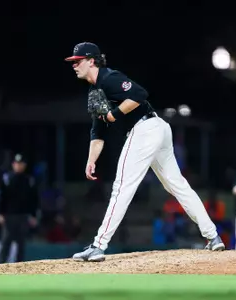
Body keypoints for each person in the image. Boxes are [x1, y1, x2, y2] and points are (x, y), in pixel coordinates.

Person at [64, 42, 225, 262]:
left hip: (145, 129)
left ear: (92, 61)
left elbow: (140, 93)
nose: (74, 65)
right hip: (157, 129)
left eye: (78, 61)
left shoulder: (109, 78)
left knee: (122, 186)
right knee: (176, 185)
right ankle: (213, 236)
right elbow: (97, 130)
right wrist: (91, 160)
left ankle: (98, 245)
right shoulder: (95, 91)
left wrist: (115, 114)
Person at [0, 153, 39, 263]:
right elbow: (2, 197)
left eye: (21, 163)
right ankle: (0, 266)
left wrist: (33, 215)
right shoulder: (7, 179)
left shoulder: (29, 180)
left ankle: (19, 267)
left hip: (23, 216)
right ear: (13, 164)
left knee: (21, 244)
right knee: (6, 243)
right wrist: (0, 213)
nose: (19, 166)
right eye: (17, 163)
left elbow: (33, 200)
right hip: (9, 216)